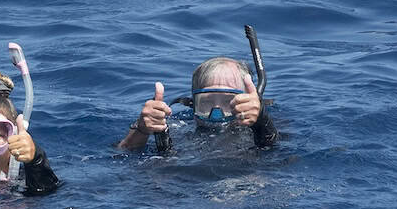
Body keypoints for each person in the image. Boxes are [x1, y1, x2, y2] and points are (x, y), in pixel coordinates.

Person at [117, 56, 279, 150]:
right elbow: (123, 153)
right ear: (193, 104)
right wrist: (142, 129)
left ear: (247, 100)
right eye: (206, 102)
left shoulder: (261, 128)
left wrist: (261, 119)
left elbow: (276, 152)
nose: (217, 113)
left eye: (229, 102)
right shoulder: (178, 128)